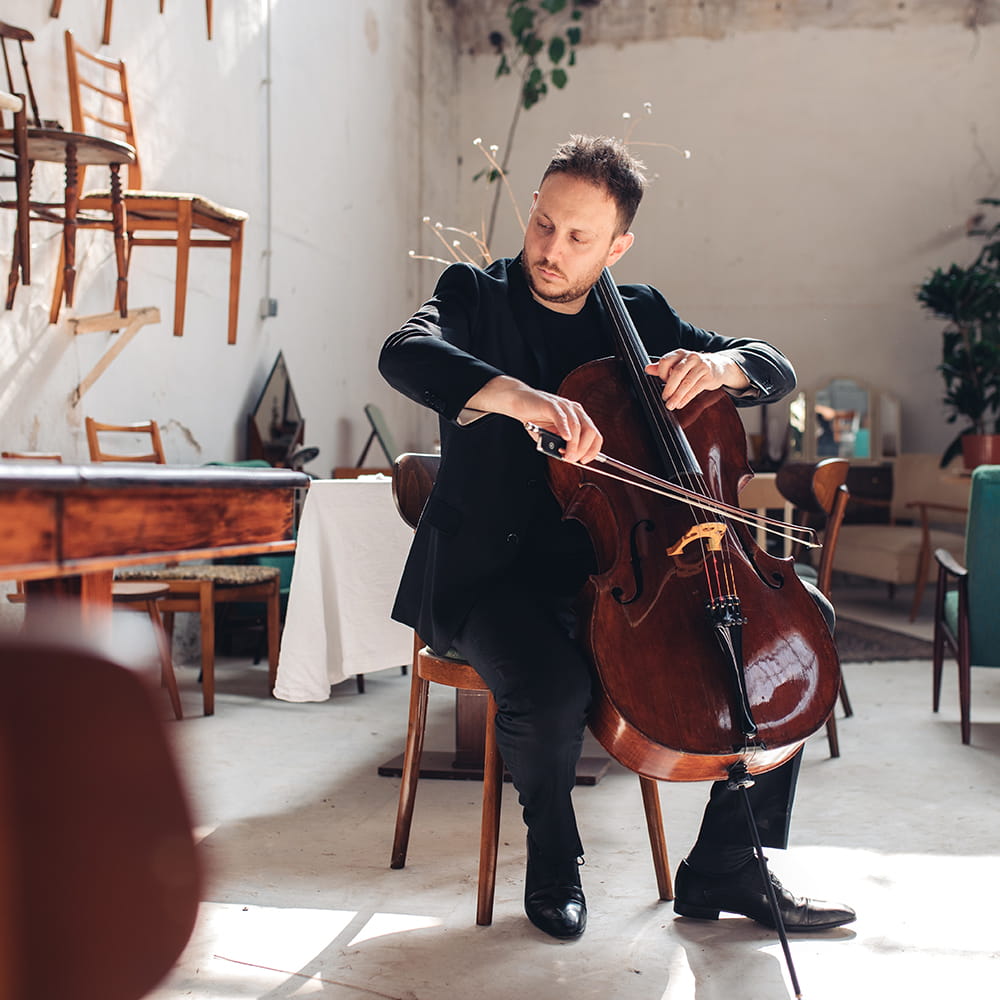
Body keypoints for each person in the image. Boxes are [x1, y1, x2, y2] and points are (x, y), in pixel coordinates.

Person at [379, 135, 855, 940]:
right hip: (491, 576)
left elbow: (774, 366)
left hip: (622, 575)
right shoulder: (475, 295)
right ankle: (556, 865)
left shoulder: (643, 317)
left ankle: (728, 864)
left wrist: (727, 368)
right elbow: (405, 353)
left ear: (617, 246)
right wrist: (521, 401)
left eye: (577, 238)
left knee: (796, 633)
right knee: (553, 685)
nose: (550, 251)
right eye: (542, 225)